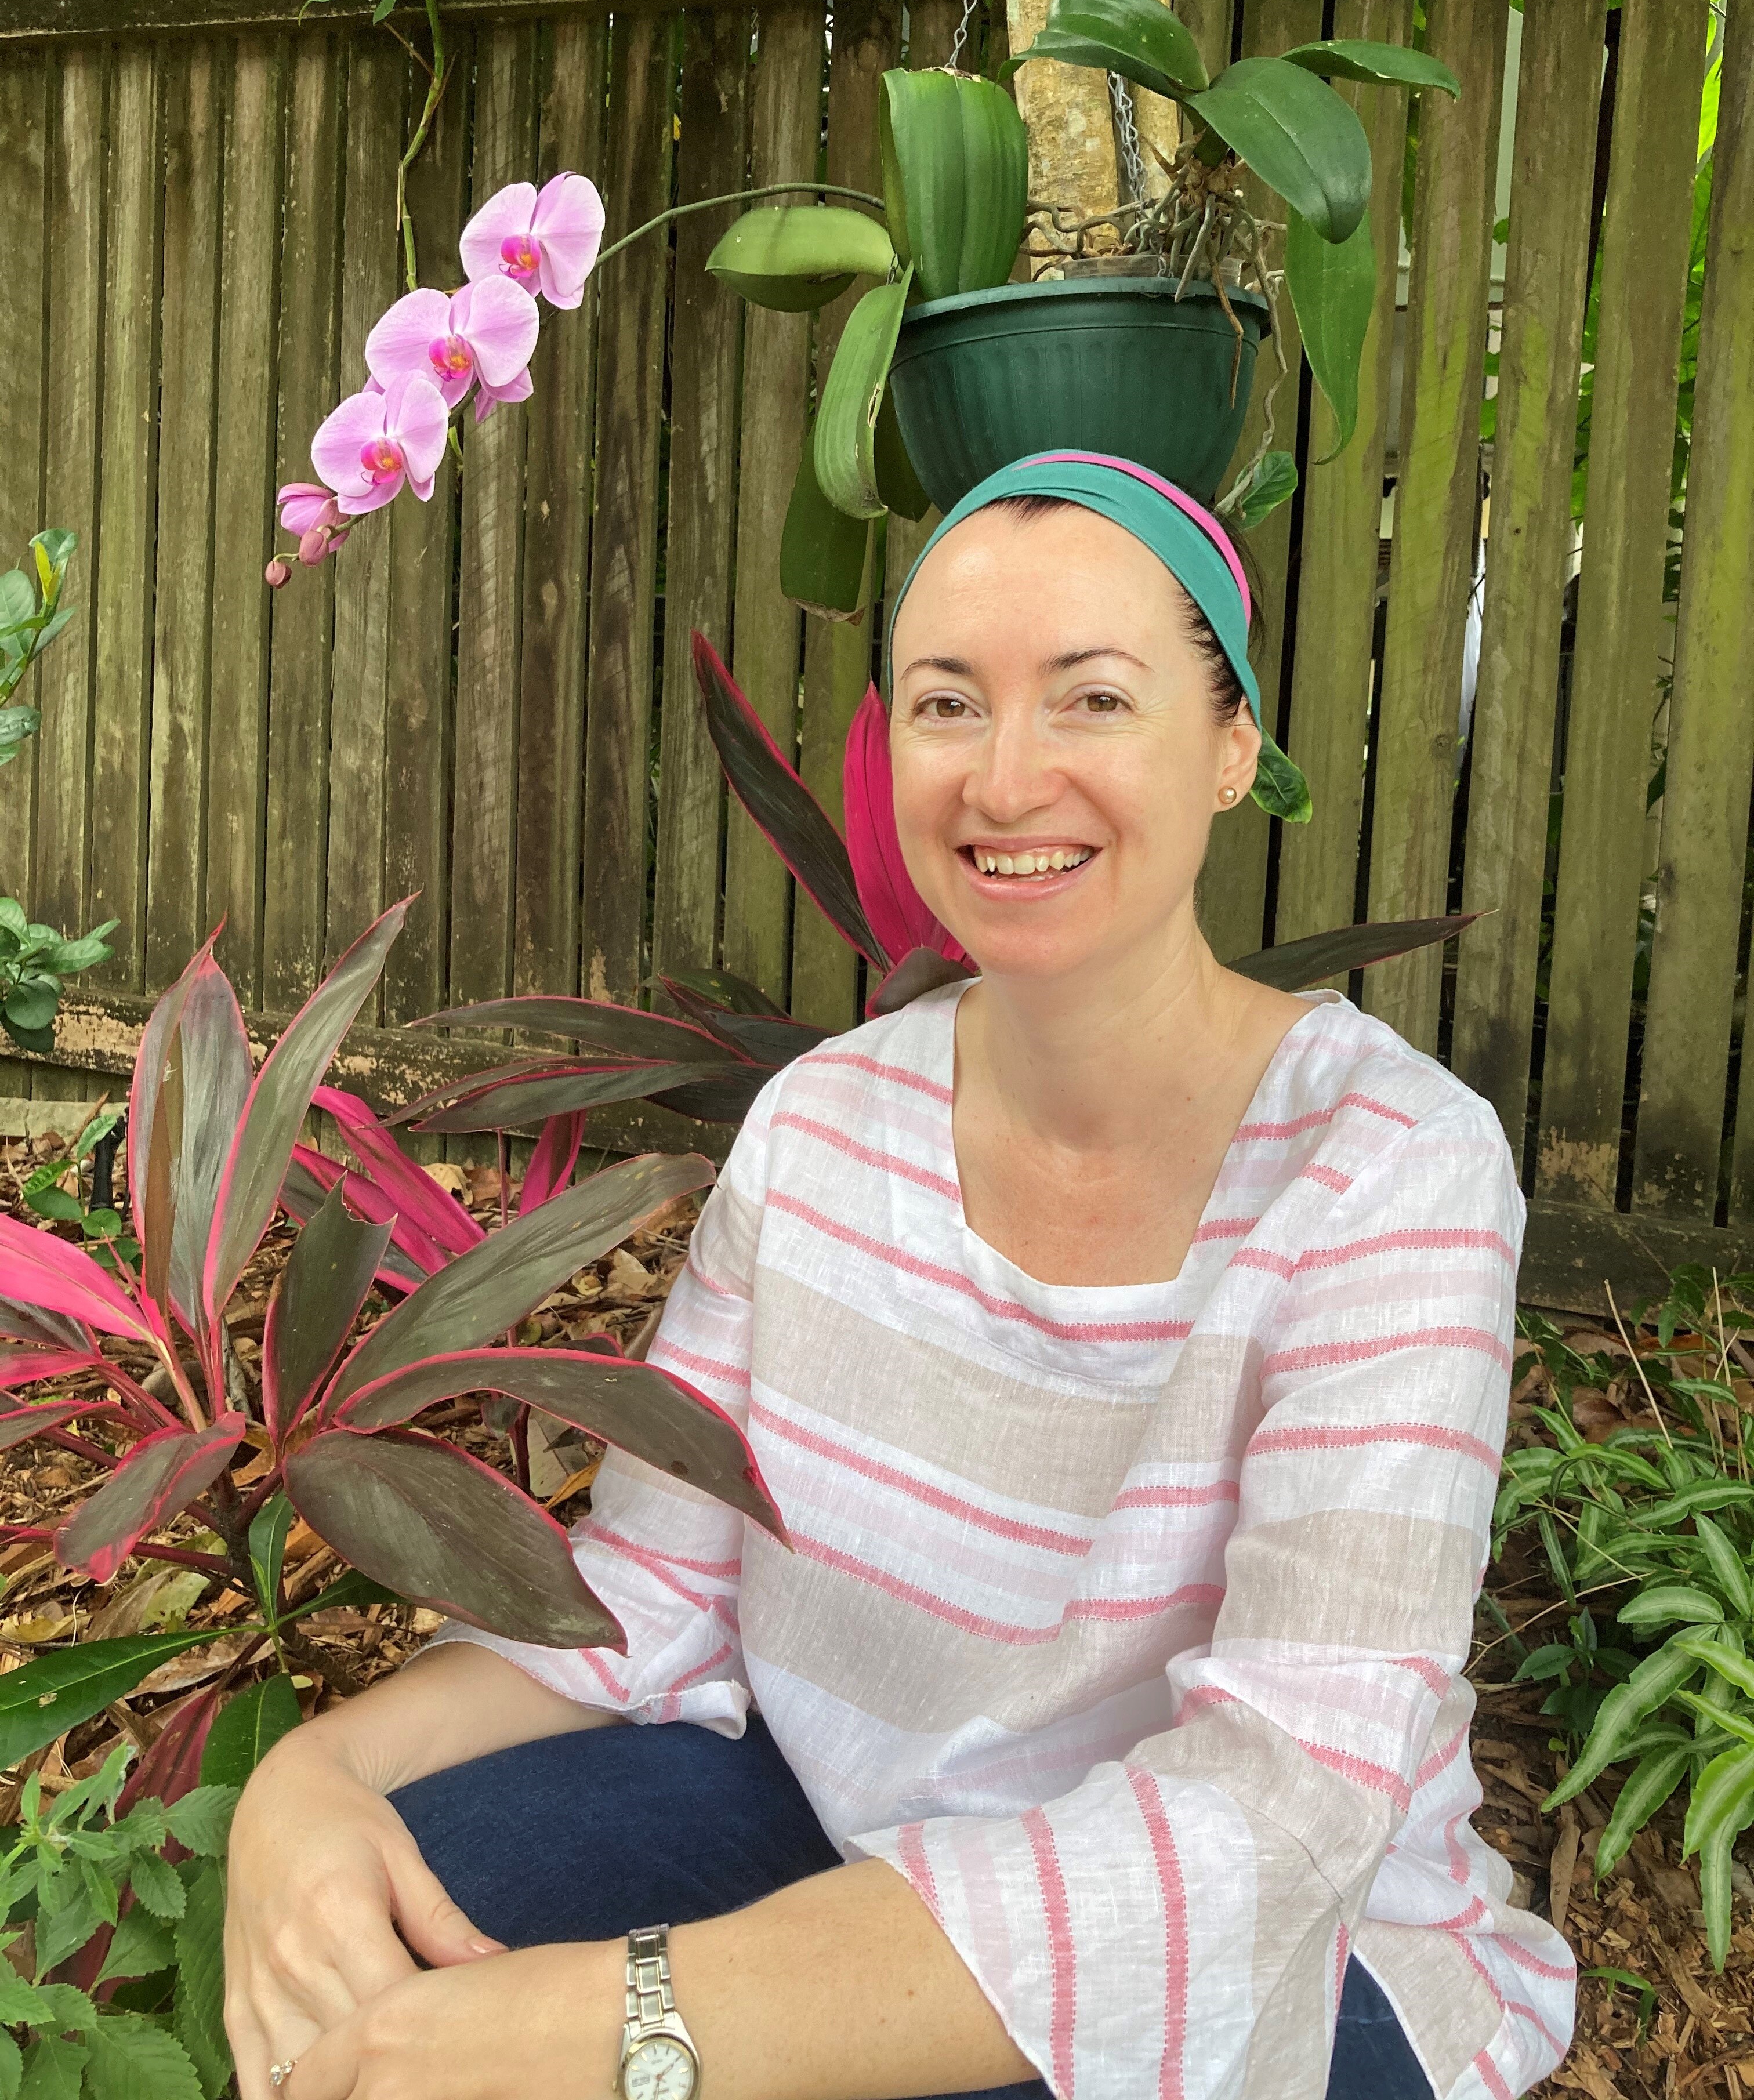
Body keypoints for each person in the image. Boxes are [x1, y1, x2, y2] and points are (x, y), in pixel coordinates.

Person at [225, 454, 1575, 2100]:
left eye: (1091, 698)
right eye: (948, 704)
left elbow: (1270, 1816)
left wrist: (641, 2020)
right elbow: (648, 1597)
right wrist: (317, 1775)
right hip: (844, 1824)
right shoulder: (822, 1132)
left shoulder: (1392, 1169)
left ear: (1232, 749)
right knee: (420, 1903)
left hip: (1297, 1955)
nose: (1008, 781)